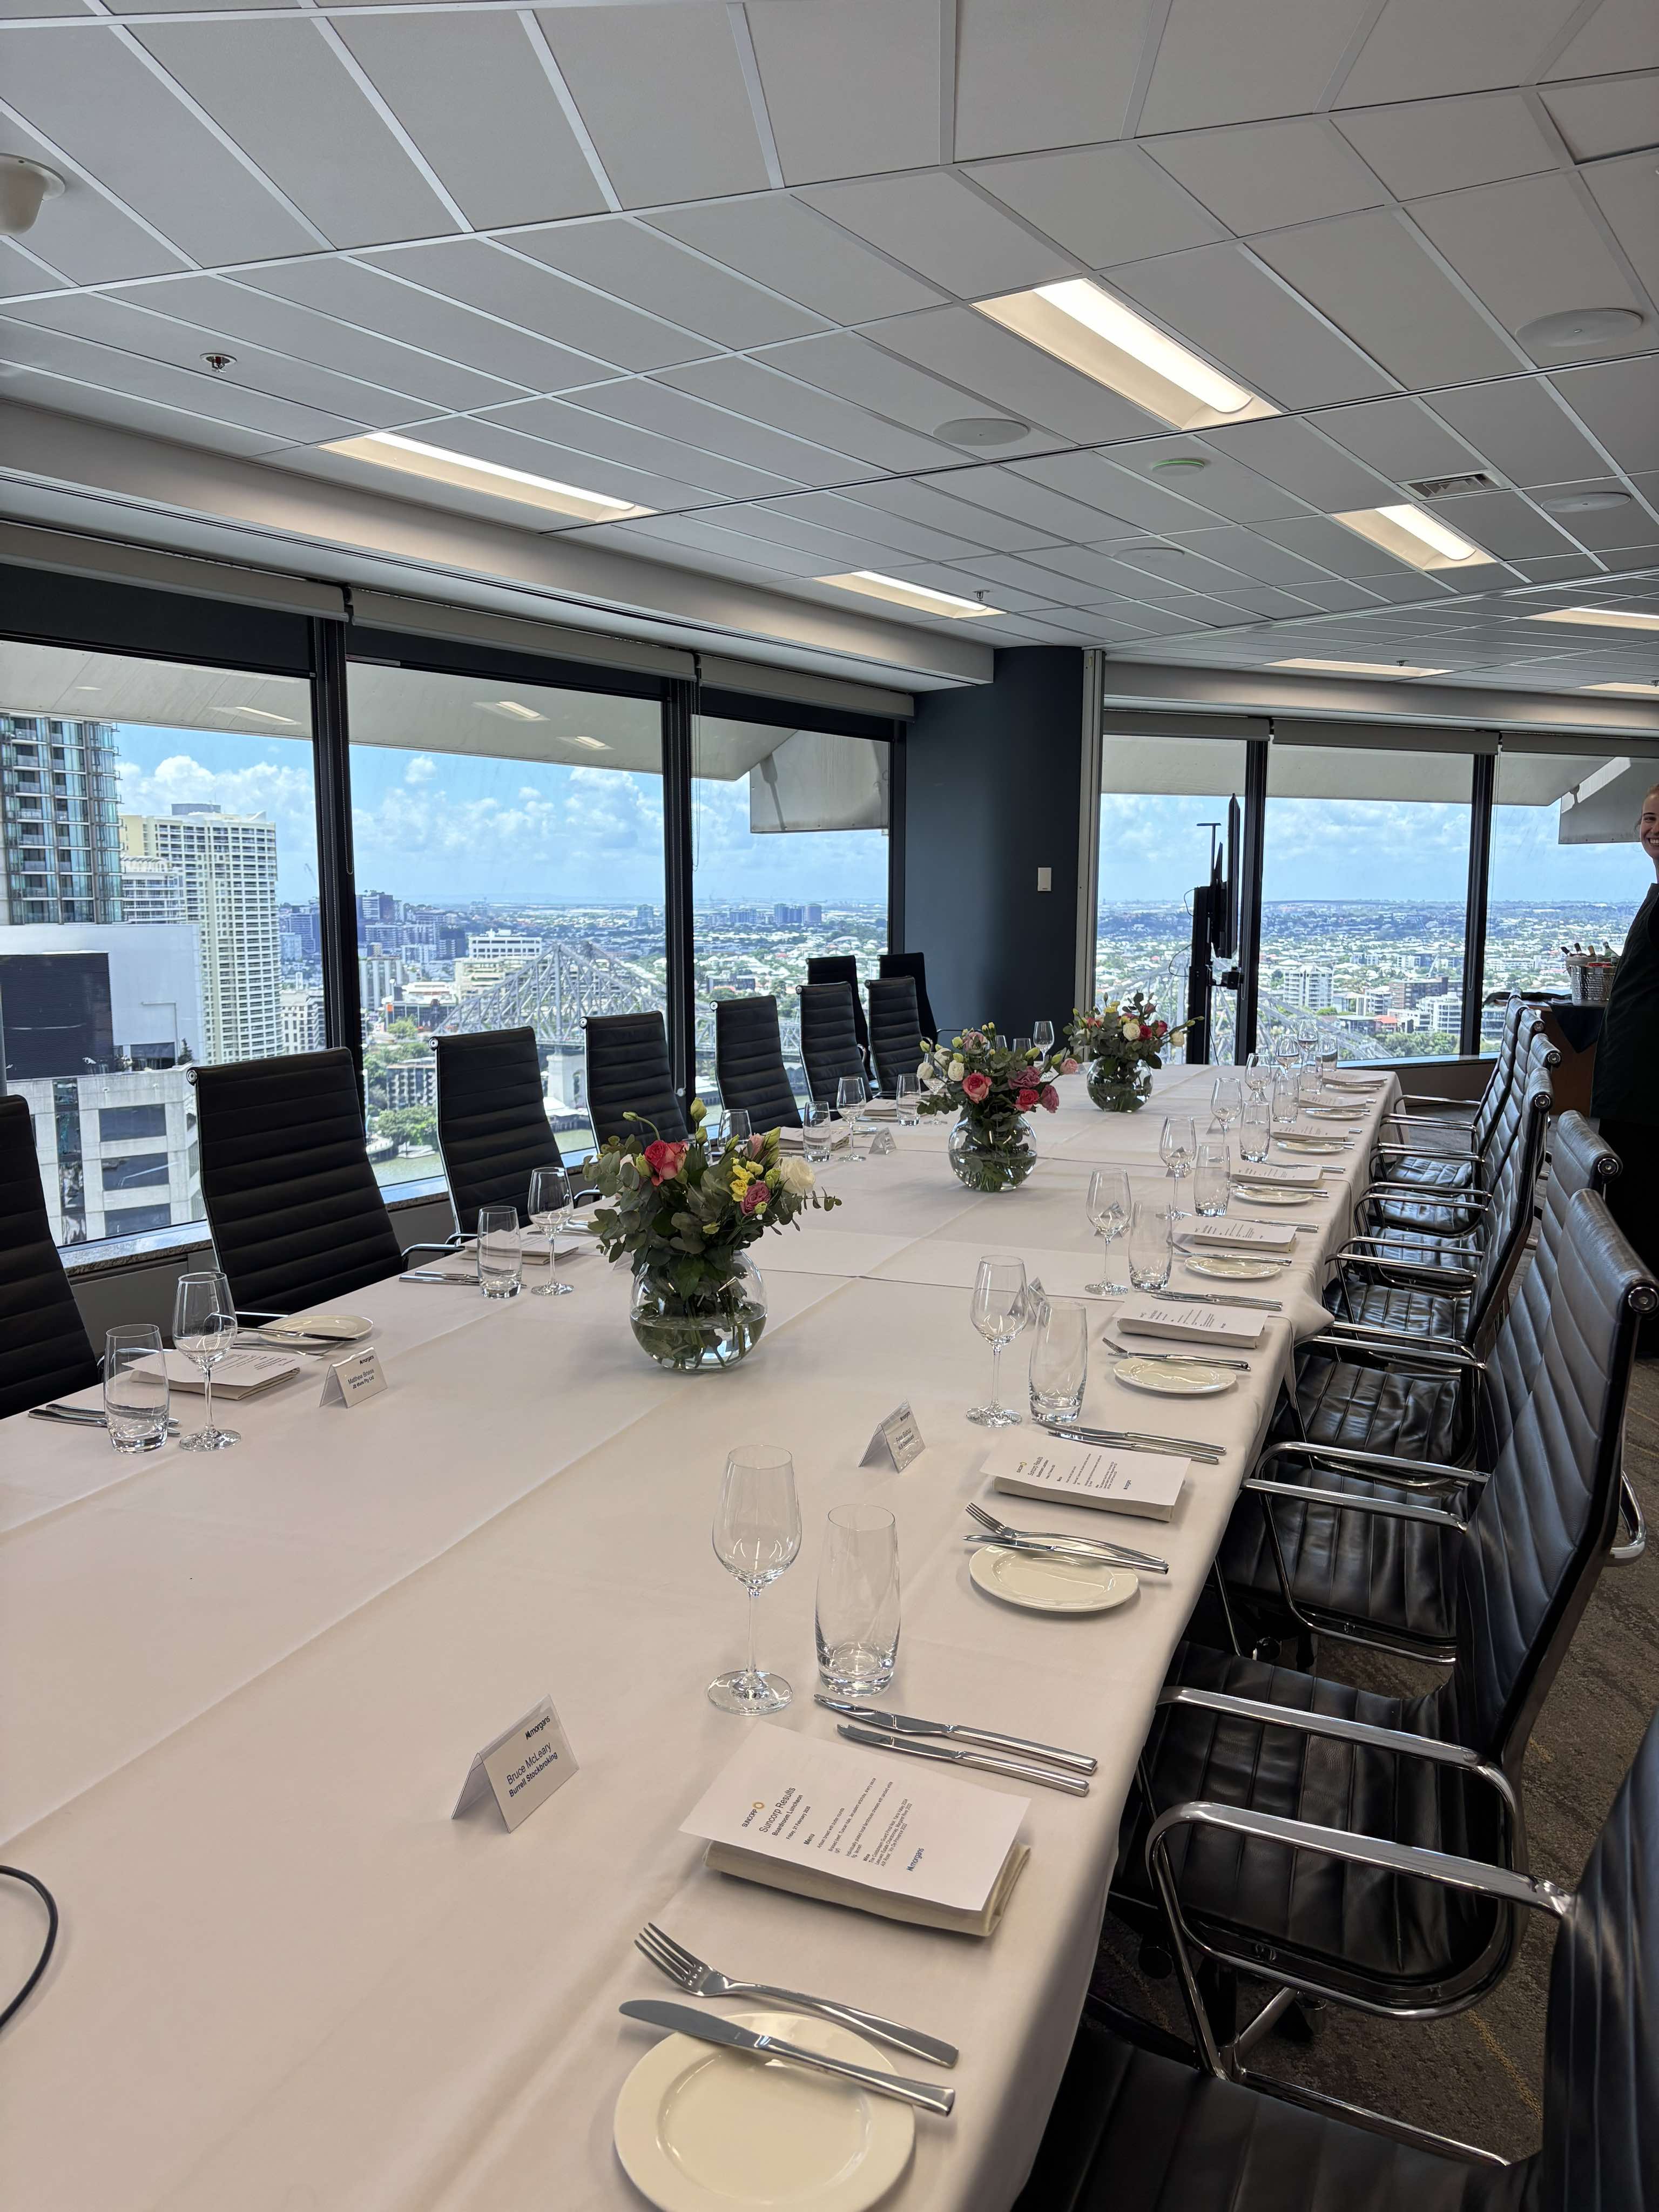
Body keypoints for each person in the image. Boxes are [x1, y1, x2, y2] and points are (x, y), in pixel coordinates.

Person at [1591, 780, 1659, 1352]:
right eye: (1646, 819)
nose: (1651, 829)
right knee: (1628, 1206)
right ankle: (1630, 1317)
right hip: (1629, 1080)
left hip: (1649, 1087)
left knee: (1644, 1208)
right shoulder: (1657, 890)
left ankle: (1644, 1325)